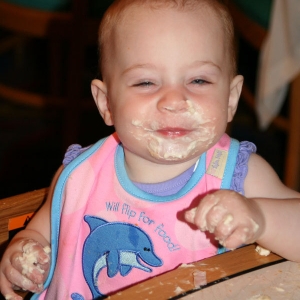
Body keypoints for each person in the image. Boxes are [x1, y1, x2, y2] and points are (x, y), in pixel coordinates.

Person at [1, 0, 300, 299]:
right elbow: (40, 234)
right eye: (146, 82)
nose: (174, 100)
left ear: (231, 99)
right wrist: (23, 253)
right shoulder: (80, 175)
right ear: (106, 103)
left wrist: (261, 217)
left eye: (199, 80)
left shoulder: (238, 176)